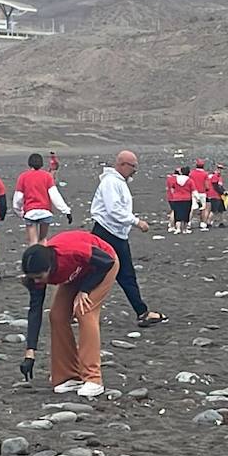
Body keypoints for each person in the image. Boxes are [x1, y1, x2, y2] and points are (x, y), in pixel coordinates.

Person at [18, 230, 119, 398]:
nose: (37, 281)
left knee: (84, 310)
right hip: (77, 272)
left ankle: (93, 379)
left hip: (103, 265)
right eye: (33, 278)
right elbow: (35, 310)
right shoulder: (34, 276)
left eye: (39, 277)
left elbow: (107, 262)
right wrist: (30, 352)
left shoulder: (70, 252)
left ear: (49, 267)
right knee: (57, 316)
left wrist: (85, 290)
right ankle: (69, 376)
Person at [90, 150, 168, 328]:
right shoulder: (111, 182)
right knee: (114, 274)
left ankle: (142, 312)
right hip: (107, 233)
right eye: (133, 166)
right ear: (122, 164)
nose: (135, 171)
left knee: (107, 274)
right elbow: (114, 209)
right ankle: (142, 312)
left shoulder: (117, 182)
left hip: (115, 233)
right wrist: (136, 222)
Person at [14, 153, 71, 245]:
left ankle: (34, 254)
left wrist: (19, 212)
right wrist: (66, 211)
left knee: (33, 242)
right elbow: (55, 196)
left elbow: (18, 198)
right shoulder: (47, 176)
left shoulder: (23, 177)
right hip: (45, 212)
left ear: (29, 163)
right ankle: (43, 253)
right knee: (43, 240)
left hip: (30, 212)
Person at [166, 167, 195, 234]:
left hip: (176, 198)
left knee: (177, 213)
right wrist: (197, 199)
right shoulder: (189, 180)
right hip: (187, 198)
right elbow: (193, 190)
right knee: (186, 213)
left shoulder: (174, 179)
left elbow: (172, 188)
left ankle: (177, 228)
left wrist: (174, 194)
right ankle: (185, 229)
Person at [189, 159, 210, 230]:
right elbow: (207, 185)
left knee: (192, 208)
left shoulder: (192, 173)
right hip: (202, 192)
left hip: (193, 192)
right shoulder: (205, 174)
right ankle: (203, 223)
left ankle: (188, 222)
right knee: (203, 208)